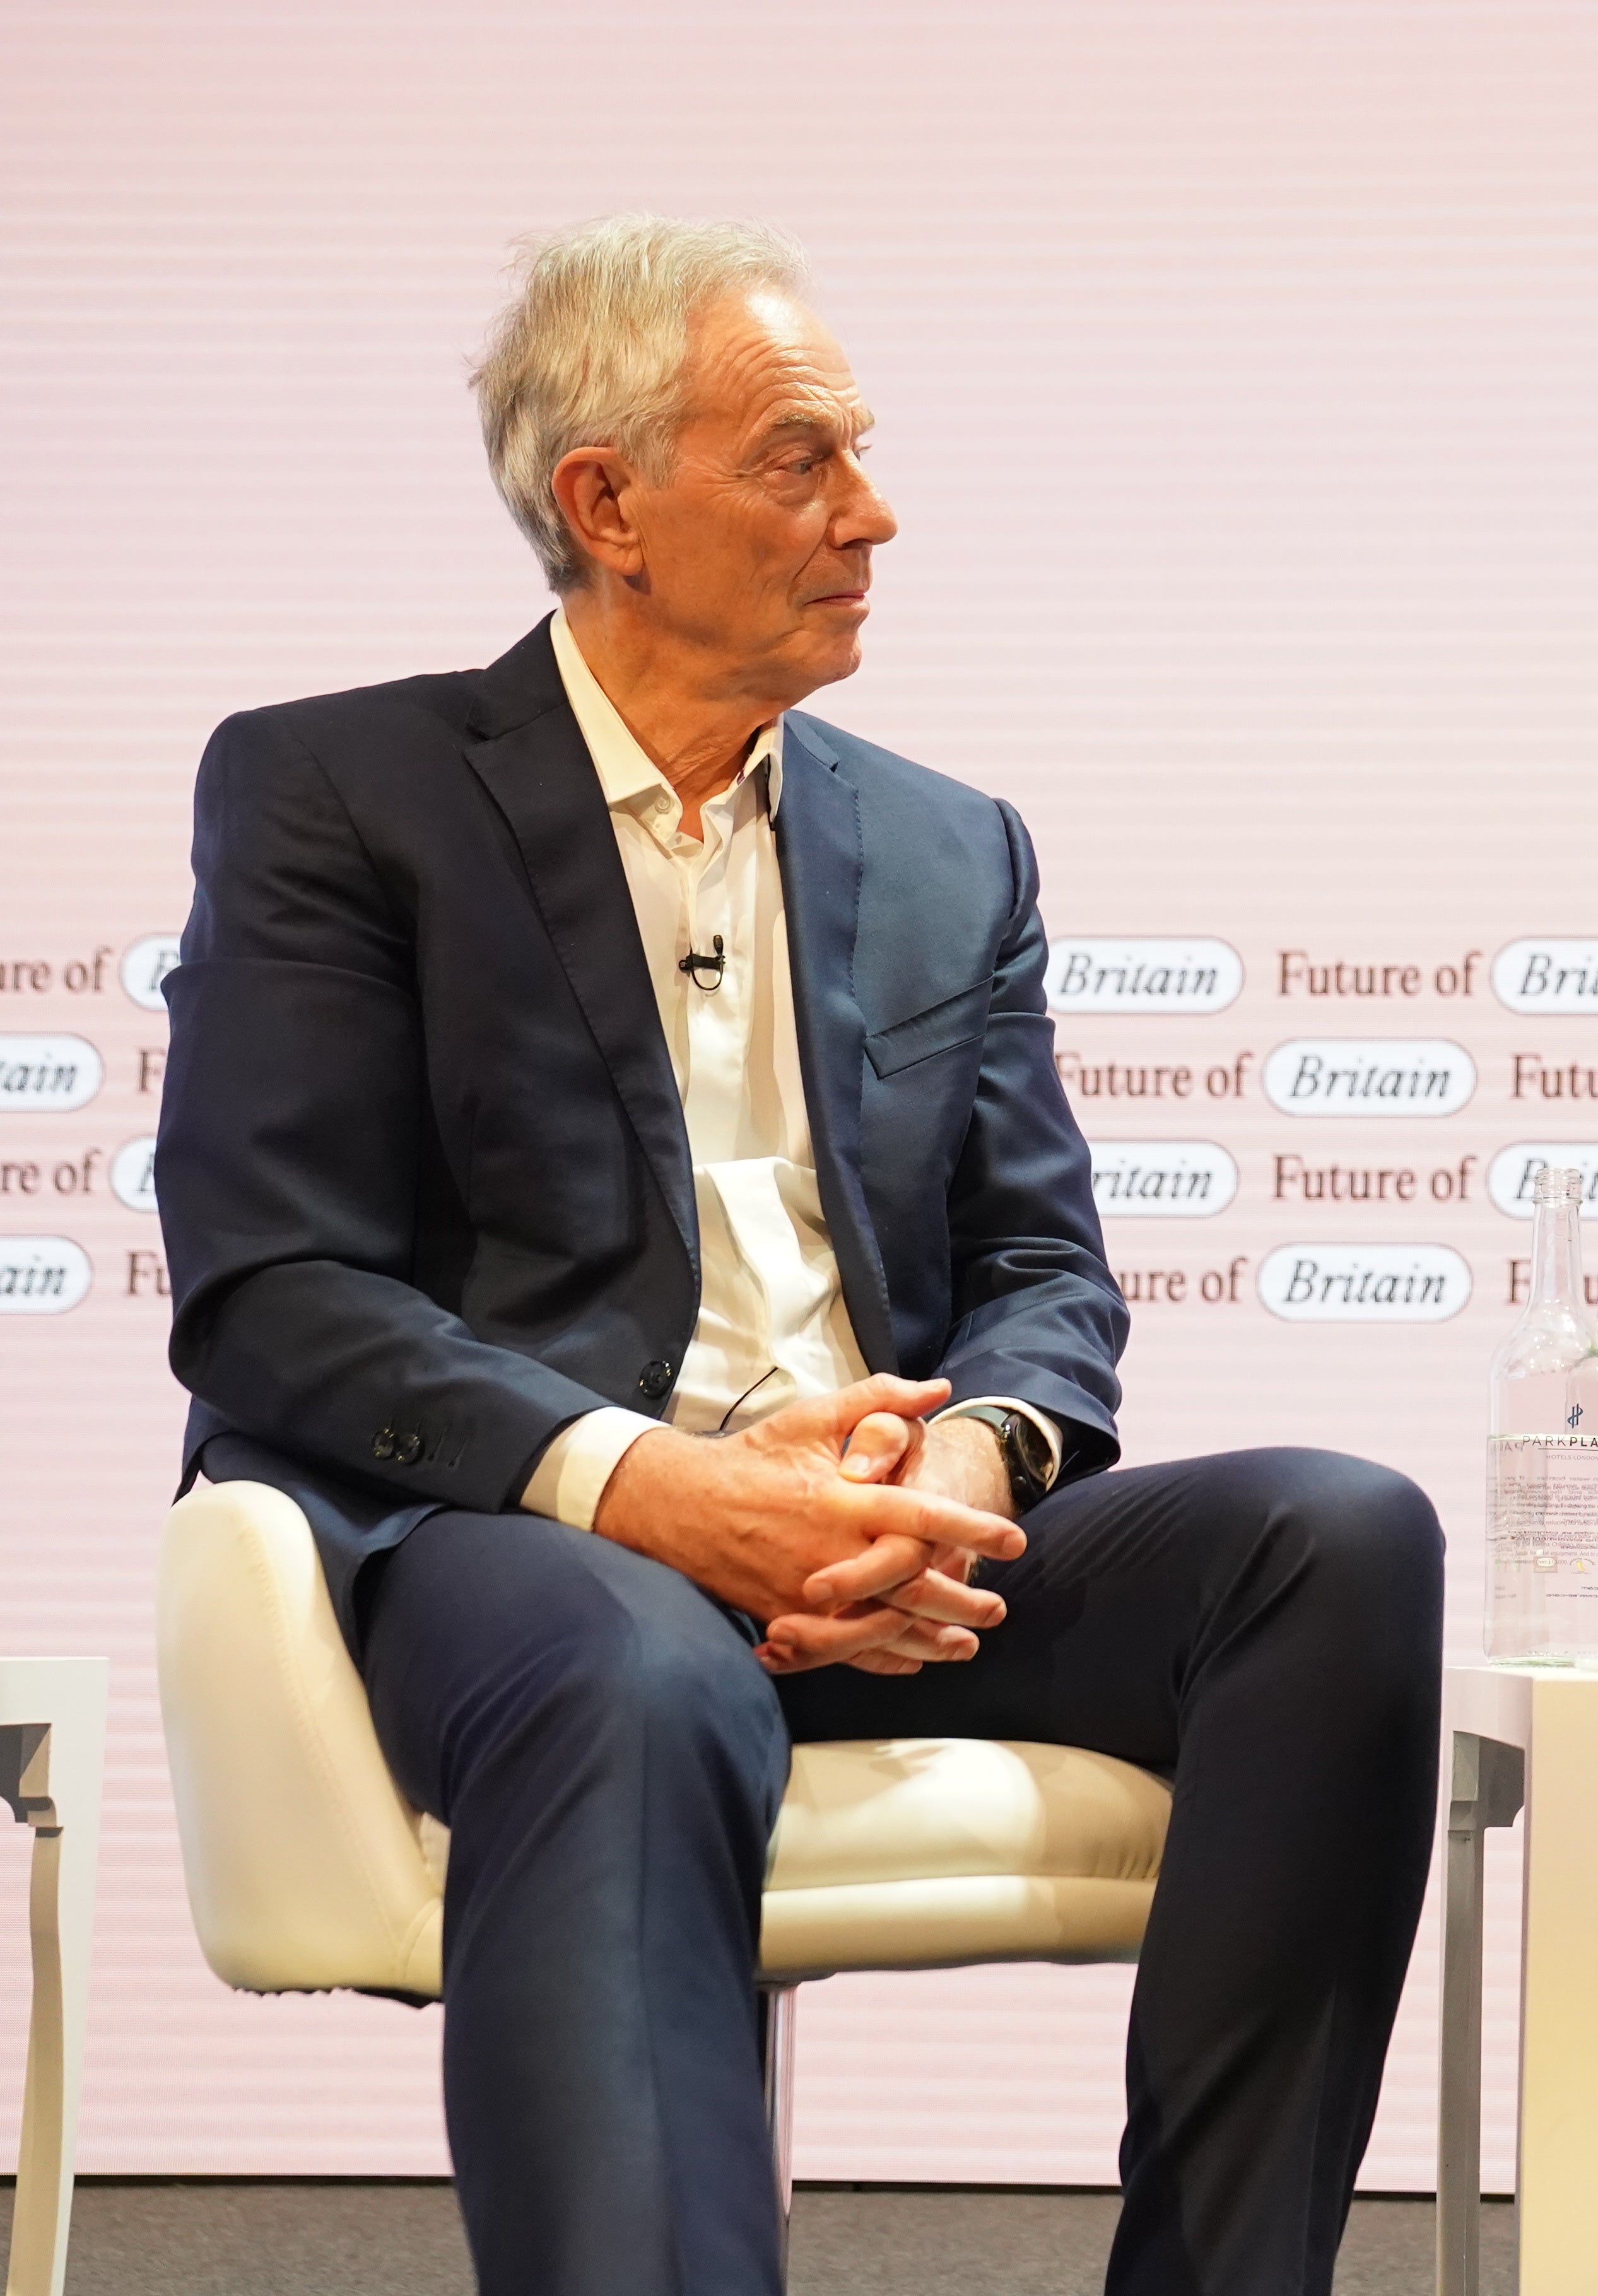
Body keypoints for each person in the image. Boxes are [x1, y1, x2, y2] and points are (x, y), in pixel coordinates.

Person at [156, 214, 1443, 2296]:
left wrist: (966, 1464)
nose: (876, 512)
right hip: (523, 1541)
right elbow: (275, 1288)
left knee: (1339, 1541)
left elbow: (1043, 1263)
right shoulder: (340, 791)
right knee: (635, 1658)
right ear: (609, 508)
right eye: (803, 458)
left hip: (890, 1541)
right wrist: (670, 1496)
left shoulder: (952, 842)